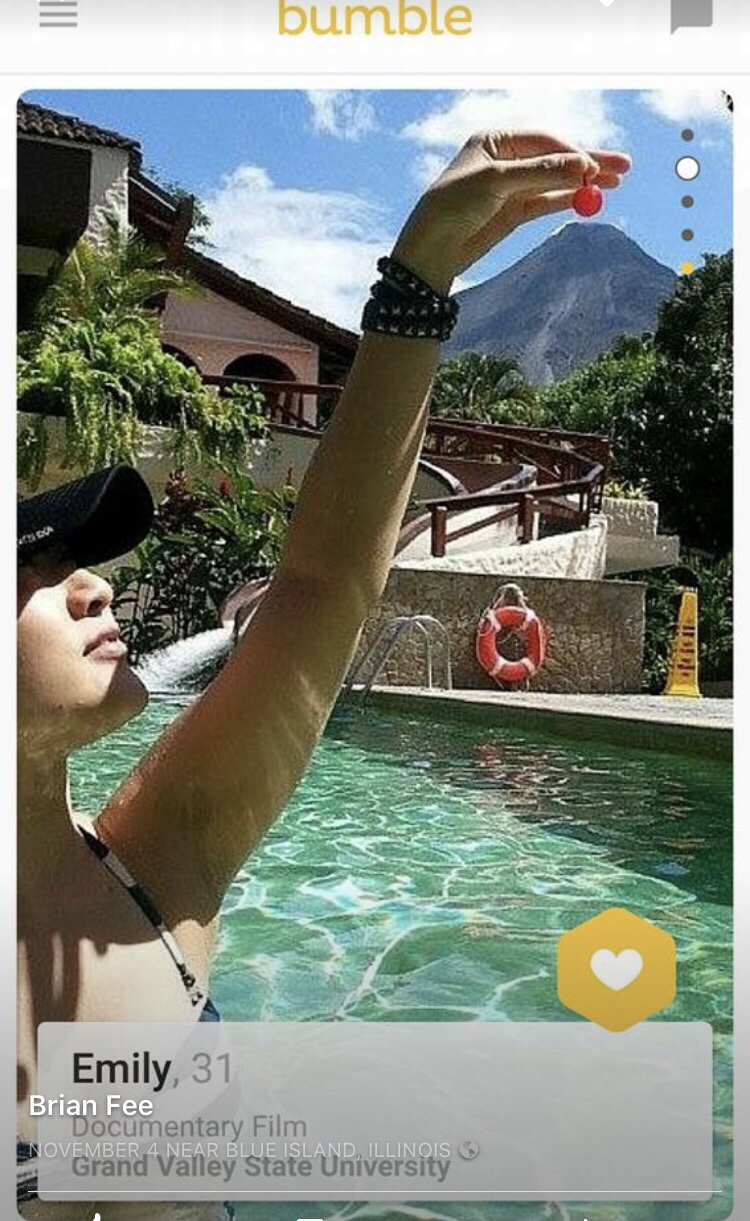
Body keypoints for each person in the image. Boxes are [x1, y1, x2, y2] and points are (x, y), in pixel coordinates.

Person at [17, 129, 631, 1218]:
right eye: (34, 570)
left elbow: (324, 587)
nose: (94, 587)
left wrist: (419, 281)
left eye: (85, 563)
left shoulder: (154, 865)